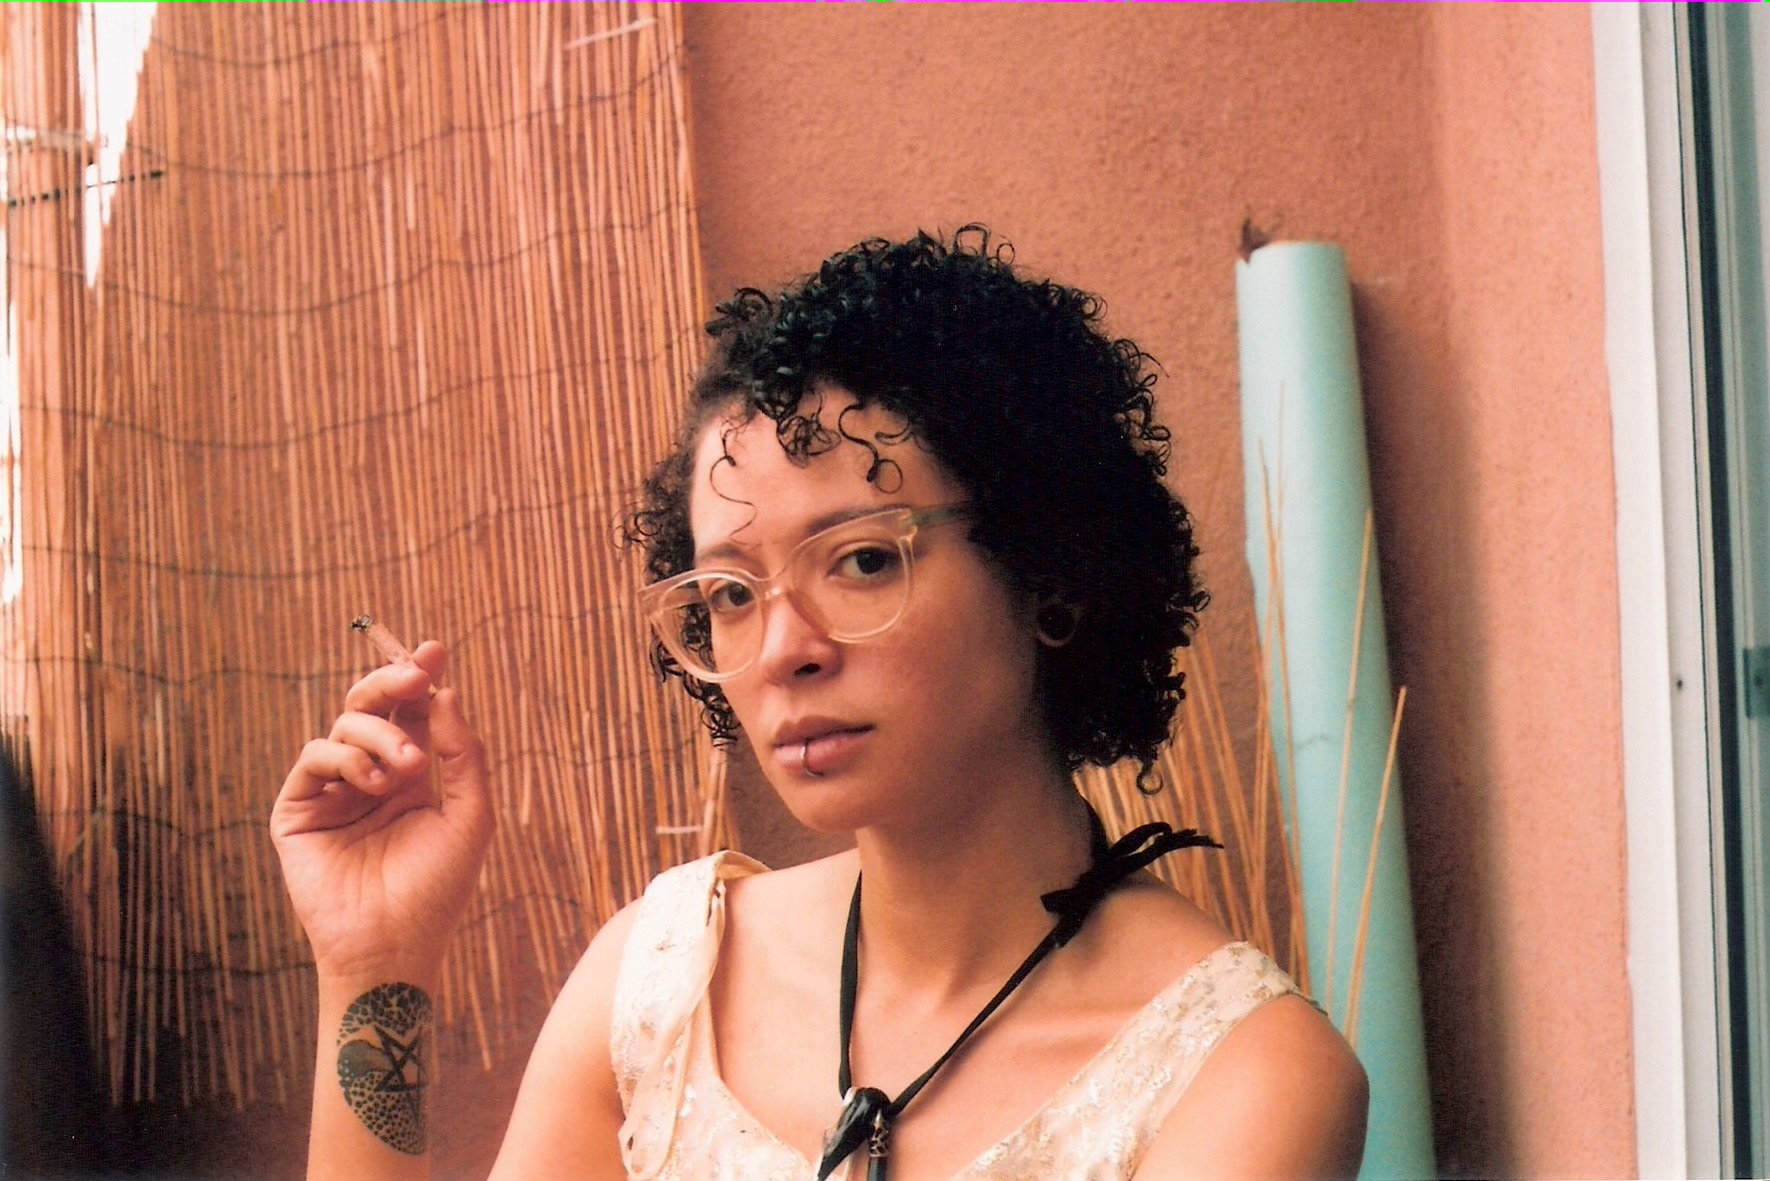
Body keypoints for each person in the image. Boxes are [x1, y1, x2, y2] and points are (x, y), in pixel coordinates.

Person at [271, 227, 1369, 1180]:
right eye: (731, 592)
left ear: (1048, 570)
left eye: (861, 561)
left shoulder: (1243, 1070)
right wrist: (378, 967)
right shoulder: (665, 984)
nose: (782, 650)